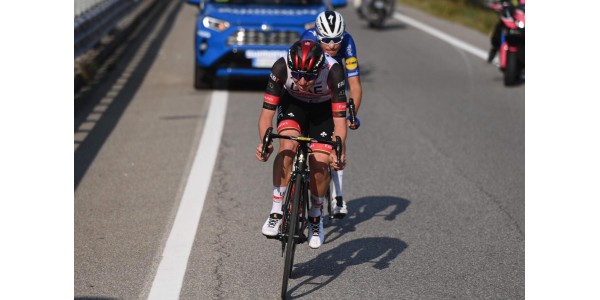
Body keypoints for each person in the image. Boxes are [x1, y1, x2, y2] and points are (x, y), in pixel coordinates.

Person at [255, 40, 348, 249]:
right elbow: (266, 116)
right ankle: (276, 210)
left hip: (323, 112)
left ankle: (315, 216)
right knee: (287, 147)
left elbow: (340, 123)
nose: (303, 81)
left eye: (309, 76)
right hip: (293, 106)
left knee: (320, 163)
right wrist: (265, 143)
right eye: (297, 75)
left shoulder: (333, 71)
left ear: (319, 69)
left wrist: (338, 151)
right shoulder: (280, 67)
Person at [300, 10, 362, 219]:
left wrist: (351, 114)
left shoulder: (348, 42)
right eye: (327, 40)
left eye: (337, 39)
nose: (333, 45)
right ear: (318, 35)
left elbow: (354, 84)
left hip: (334, 90)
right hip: (312, 91)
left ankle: (338, 195)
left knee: (339, 132)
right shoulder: (307, 39)